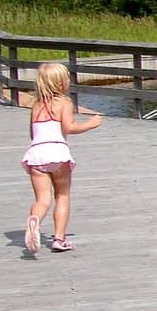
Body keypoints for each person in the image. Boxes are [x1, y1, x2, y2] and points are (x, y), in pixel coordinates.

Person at [21, 62, 102, 255]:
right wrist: (90, 124)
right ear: (61, 83)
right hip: (57, 154)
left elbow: (33, 134)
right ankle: (59, 239)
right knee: (62, 196)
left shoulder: (36, 106)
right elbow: (69, 128)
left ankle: (35, 220)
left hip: (36, 154)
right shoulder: (65, 103)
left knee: (42, 199)